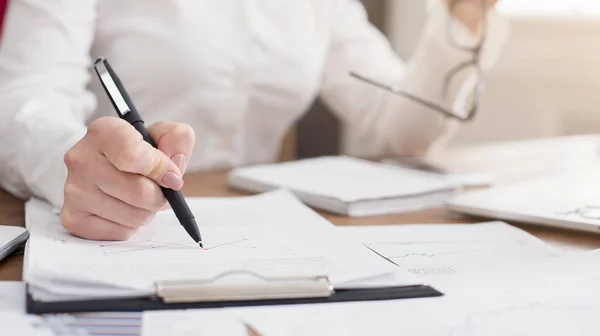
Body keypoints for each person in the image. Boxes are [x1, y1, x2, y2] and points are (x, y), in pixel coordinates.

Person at [0, 0, 507, 240]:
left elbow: (399, 127)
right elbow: (23, 98)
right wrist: (69, 164)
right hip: (108, 227)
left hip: (262, 232)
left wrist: (465, 18)